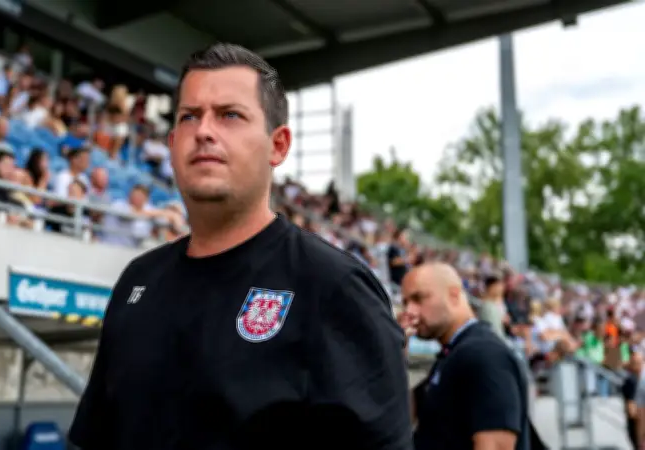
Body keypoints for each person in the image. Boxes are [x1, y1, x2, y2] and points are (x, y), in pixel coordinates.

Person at [69, 43, 413, 450]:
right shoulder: (137, 281)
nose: (204, 131)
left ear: (278, 145)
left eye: (230, 115)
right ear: (173, 142)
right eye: (189, 116)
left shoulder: (333, 286)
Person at [399, 262, 529, 450]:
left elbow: (496, 446)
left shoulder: (483, 353)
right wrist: (397, 350)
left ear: (453, 295)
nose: (409, 311)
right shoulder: (453, 353)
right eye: (405, 303)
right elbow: (401, 416)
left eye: (419, 299)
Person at [623, 351, 644, 449]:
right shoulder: (631, 381)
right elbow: (632, 410)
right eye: (636, 363)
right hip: (638, 426)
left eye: (640, 363)